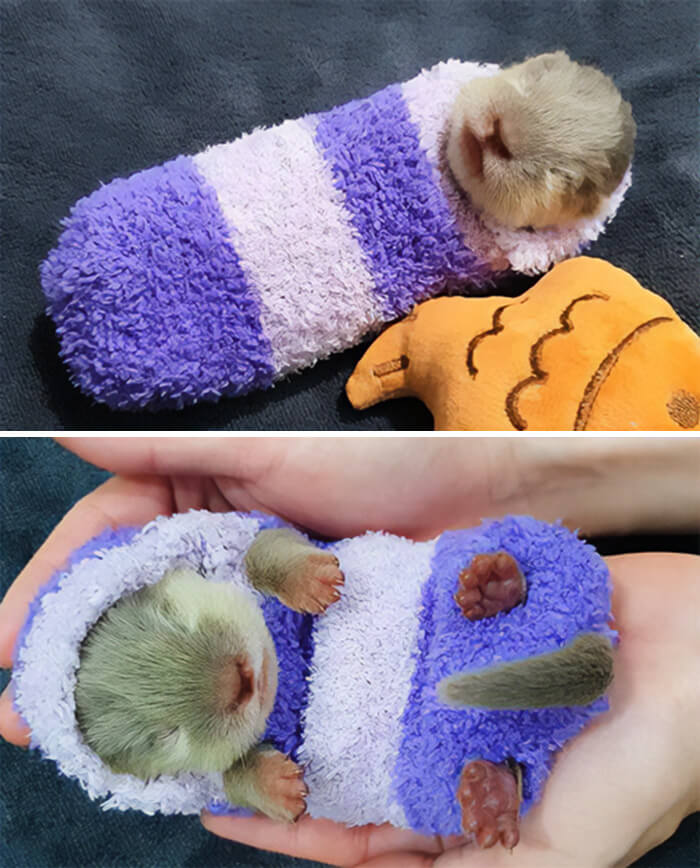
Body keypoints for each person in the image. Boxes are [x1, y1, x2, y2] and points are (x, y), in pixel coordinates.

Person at [0, 437, 698, 868]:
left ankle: (507, 593)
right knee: (439, 785)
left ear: (167, 578)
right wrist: (255, 781)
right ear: (142, 772)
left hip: (434, 612)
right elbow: (235, 784)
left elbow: (264, 545)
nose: (228, 686)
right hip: (422, 740)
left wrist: (288, 570)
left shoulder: (240, 565)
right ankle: (499, 777)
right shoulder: (225, 763)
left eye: (185, 634)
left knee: (491, 569)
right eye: (166, 732)